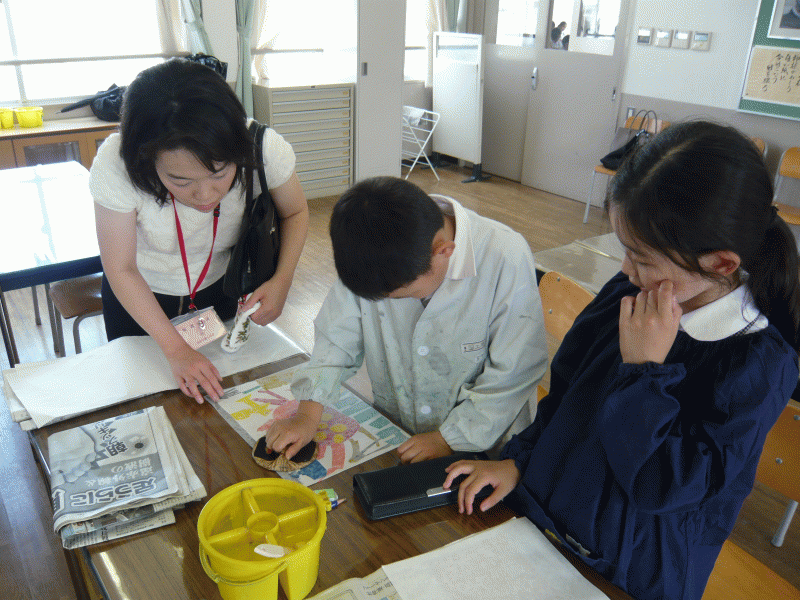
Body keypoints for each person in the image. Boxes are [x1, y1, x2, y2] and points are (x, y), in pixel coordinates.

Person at [444, 121, 800, 600]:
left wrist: (644, 374)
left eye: (644, 259)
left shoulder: (757, 363)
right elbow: (565, 395)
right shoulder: (628, 293)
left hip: (629, 570)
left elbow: (662, 486)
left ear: (721, 264)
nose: (627, 271)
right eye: (625, 250)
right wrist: (519, 460)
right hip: (546, 519)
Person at [264, 176, 548, 464]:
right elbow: (336, 339)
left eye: (399, 297)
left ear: (443, 252)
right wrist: (306, 416)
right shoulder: (369, 249)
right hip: (403, 432)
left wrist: (448, 438)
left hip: (490, 451)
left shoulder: (504, 255)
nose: (386, 303)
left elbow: (515, 372)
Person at [90, 59, 309, 404]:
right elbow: (121, 267)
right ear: (145, 158)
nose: (205, 195)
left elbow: (295, 212)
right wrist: (175, 349)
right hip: (140, 298)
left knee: (222, 395)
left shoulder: (262, 147)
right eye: (180, 180)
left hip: (219, 289)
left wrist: (282, 280)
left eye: (220, 173)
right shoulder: (116, 164)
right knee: (150, 404)